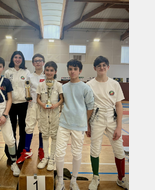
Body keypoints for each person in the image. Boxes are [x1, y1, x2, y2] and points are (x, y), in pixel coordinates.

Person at [86, 56, 129, 190]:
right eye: (99, 66)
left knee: (119, 149)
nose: (102, 68)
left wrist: (119, 126)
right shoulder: (89, 85)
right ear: (95, 68)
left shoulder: (114, 84)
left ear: (108, 67)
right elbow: (87, 107)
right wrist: (87, 125)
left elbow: (119, 105)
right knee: (95, 149)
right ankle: (95, 177)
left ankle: (121, 178)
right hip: (96, 119)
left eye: (104, 65)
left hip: (112, 119)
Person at [55, 59, 94, 190]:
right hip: (64, 124)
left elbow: (90, 107)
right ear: (67, 70)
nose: (72, 71)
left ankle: (73, 181)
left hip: (79, 126)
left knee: (77, 153)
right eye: (70, 69)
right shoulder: (63, 87)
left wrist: (84, 121)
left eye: (75, 69)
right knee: (59, 153)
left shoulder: (85, 88)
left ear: (80, 71)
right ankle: (60, 181)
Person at [16, 54, 46, 164]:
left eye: (40, 60)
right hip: (32, 105)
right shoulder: (30, 76)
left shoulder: (47, 76)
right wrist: (26, 97)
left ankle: (41, 150)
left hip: (44, 106)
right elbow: (26, 89)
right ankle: (27, 151)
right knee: (29, 127)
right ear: (33, 63)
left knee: (43, 128)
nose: (38, 62)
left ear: (43, 62)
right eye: (36, 61)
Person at [36, 61, 64, 170]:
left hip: (54, 113)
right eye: (47, 70)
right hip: (43, 113)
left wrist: (56, 104)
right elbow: (37, 98)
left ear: (55, 72)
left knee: (54, 136)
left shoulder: (58, 85)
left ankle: (52, 159)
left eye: (51, 70)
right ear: (44, 71)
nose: (49, 72)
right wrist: (42, 104)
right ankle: (45, 158)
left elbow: (62, 98)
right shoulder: (40, 85)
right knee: (44, 135)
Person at [4, 51, 31, 162]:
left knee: (23, 130)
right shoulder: (7, 72)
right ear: (12, 59)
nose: (17, 59)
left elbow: (28, 87)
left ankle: (21, 153)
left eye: (20, 57)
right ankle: (11, 153)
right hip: (10, 104)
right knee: (11, 129)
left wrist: (29, 98)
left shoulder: (26, 72)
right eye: (15, 57)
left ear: (22, 59)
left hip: (23, 104)